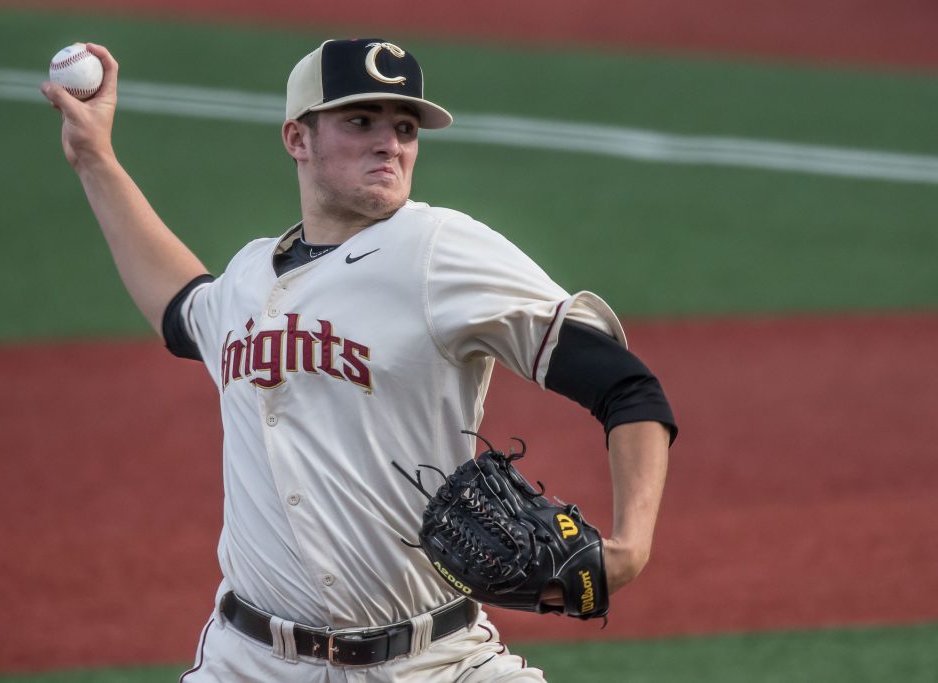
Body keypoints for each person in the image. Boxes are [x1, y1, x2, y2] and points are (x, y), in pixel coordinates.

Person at [42, 37, 677, 682]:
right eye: (361, 121)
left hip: (437, 663)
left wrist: (629, 550)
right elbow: (180, 309)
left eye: (405, 128)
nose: (389, 144)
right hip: (250, 664)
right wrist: (94, 158)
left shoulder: (435, 249)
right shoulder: (251, 276)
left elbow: (626, 387)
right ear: (297, 137)